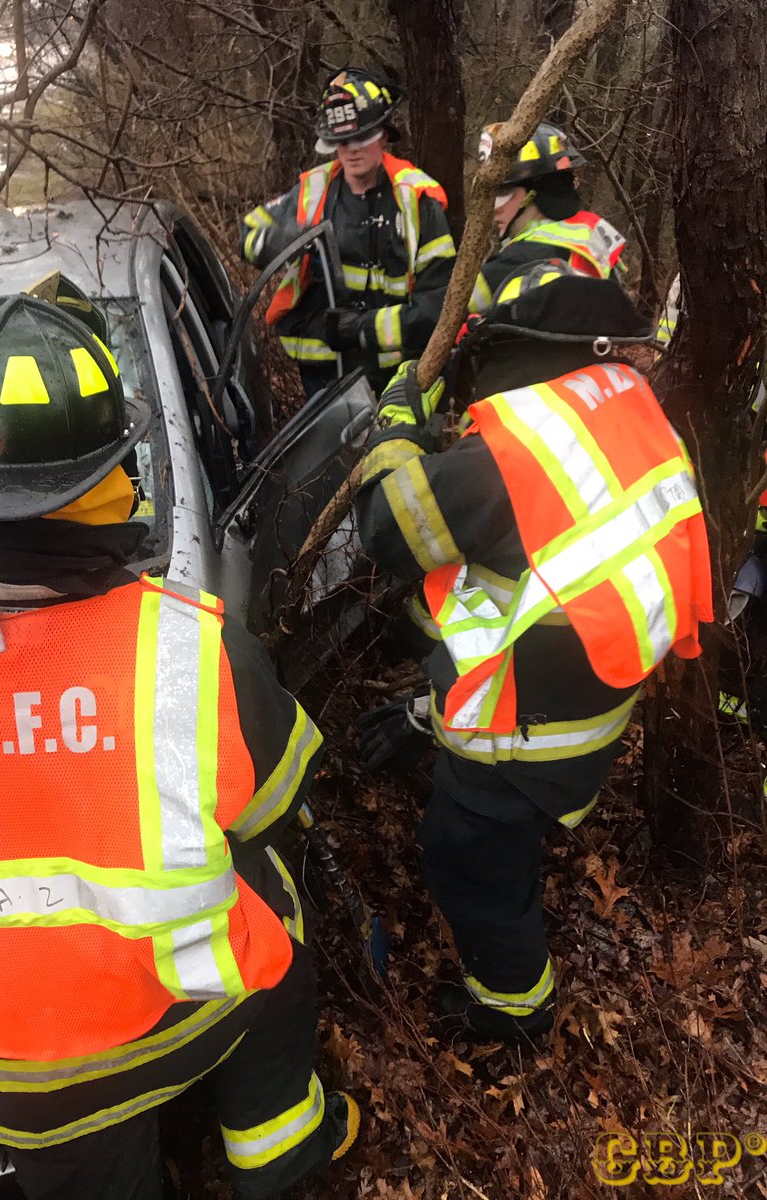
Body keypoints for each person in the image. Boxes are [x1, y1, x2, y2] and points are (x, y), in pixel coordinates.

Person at [0, 292, 359, 1200]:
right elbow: (277, 801)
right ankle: (279, 1157)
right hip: (178, 1019)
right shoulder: (188, 650)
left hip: (10, 1075)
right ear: (105, 477)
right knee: (274, 899)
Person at [355, 269, 713, 1043]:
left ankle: (512, 1008)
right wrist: (426, 710)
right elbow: (521, 582)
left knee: (466, 861)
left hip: (528, 742)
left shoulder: (515, 455)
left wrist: (394, 430)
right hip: (588, 697)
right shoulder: (628, 406)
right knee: (495, 845)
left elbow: (386, 526)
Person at [240, 66, 456, 398]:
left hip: (394, 371)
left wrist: (362, 328)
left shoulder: (416, 199)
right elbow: (249, 233)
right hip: (323, 372)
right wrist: (286, 238)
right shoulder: (314, 190)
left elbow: (439, 303)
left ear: (383, 135)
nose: (352, 149)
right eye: (342, 141)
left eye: (361, 137)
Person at [471, 121, 627, 313]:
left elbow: (449, 306)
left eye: (503, 191)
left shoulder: (526, 255)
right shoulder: (589, 233)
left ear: (532, 194)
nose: (494, 208)